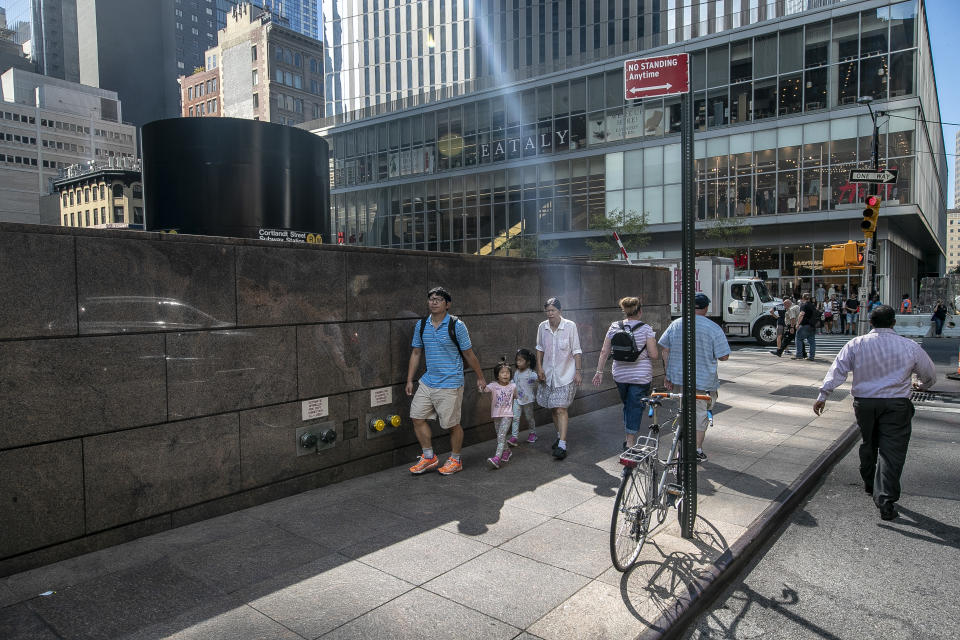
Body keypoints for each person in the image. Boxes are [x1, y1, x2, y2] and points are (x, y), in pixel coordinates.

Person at [813, 305, 936, 520]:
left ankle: (870, 482)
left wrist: (823, 395)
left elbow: (837, 370)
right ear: (893, 323)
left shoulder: (856, 344)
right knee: (892, 452)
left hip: (865, 403)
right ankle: (885, 499)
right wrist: (921, 385)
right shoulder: (909, 346)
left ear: (870, 322)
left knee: (869, 443)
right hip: (896, 404)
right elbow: (929, 374)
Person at [406, 287, 487, 476]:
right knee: (416, 417)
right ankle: (428, 457)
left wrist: (480, 376)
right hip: (428, 381)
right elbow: (416, 352)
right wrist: (410, 379)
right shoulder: (422, 324)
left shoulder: (456, 325)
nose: (433, 302)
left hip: (450, 382)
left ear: (447, 304)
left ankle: (455, 459)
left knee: (452, 424)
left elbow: (468, 353)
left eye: (438, 299)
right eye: (431, 299)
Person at [658, 293, 731, 463]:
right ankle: (696, 450)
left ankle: (680, 448)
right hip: (703, 380)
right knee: (700, 414)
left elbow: (664, 349)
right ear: (706, 308)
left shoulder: (675, 324)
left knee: (682, 411)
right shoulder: (713, 328)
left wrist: (667, 375)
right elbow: (724, 356)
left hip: (678, 378)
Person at [592, 297, 659, 450]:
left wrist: (599, 371)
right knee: (634, 406)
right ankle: (630, 442)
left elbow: (604, 351)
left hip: (620, 375)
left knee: (629, 404)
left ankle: (628, 433)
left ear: (625, 311)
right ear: (640, 312)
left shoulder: (614, 326)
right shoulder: (646, 328)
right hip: (640, 376)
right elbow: (654, 355)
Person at [536, 297, 583, 460]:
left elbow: (576, 350)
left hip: (566, 374)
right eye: (547, 311)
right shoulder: (542, 327)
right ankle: (559, 435)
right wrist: (540, 367)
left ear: (560, 311)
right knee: (554, 409)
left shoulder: (570, 326)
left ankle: (562, 444)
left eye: (553, 310)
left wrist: (578, 371)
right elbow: (539, 348)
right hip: (549, 375)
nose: (550, 313)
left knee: (561, 408)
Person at [482, 359, 517, 469]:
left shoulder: (513, 386)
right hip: (496, 414)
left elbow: (516, 396)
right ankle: (507, 451)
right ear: (497, 375)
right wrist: (481, 385)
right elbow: (484, 389)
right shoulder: (493, 386)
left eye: (507, 372)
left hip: (508, 414)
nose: (505, 374)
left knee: (501, 436)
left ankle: (497, 458)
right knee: (500, 436)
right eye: (502, 372)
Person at [509, 348, 539, 445]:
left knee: (529, 417)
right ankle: (514, 437)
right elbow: (514, 381)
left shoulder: (531, 373)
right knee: (515, 418)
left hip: (527, 400)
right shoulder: (517, 372)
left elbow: (538, 379)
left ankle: (533, 433)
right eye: (517, 360)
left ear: (528, 362)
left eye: (520, 360)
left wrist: (540, 379)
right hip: (517, 399)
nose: (518, 362)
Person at [795, 293, 819, 360]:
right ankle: (811, 356)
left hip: (805, 325)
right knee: (812, 342)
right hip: (812, 325)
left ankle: (799, 355)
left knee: (798, 338)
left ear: (803, 298)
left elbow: (801, 314)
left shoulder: (804, 305)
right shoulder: (813, 305)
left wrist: (797, 324)